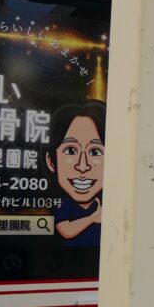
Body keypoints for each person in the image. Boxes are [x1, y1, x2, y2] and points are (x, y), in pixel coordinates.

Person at [44, 101, 106, 246]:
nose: (83, 166)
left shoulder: (110, 201)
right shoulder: (61, 203)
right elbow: (65, 230)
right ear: (51, 162)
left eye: (95, 152)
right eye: (71, 150)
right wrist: (93, 218)